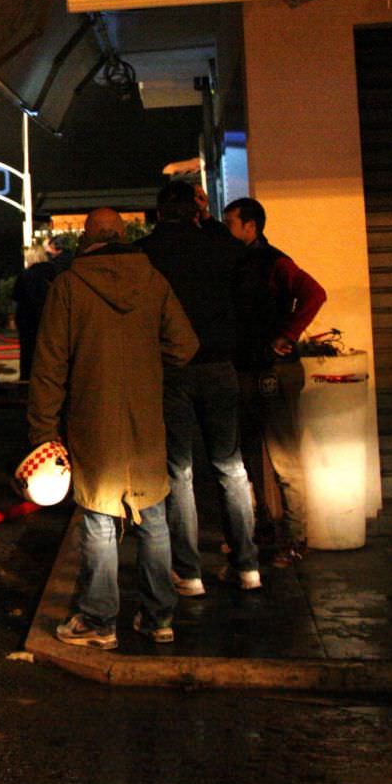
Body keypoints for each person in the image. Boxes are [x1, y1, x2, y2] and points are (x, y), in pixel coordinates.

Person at [28, 208, 198, 649]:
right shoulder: (153, 281)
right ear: (123, 235)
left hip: (93, 418)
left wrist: (43, 433)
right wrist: (148, 358)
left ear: (87, 238)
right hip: (145, 417)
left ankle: (100, 622)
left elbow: (49, 367)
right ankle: (159, 618)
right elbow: (185, 344)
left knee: (100, 519)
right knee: (154, 513)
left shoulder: (68, 286)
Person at [137, 181, 260, 594]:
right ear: (196, 211)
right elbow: (236, 257)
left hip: (170, 369)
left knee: (180, 471)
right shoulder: (219, 246)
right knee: (230, 465)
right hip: (219, 365)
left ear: (158, 213)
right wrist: (207, 220)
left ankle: (188, 573)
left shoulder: (148, 253)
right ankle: (247, 566)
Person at [224, 197, 328, 565]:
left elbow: (315, 293)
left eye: (231, 222)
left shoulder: (274, 262)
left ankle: (296, 536)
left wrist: (289, 334)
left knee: (283, 457)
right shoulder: (240, 262)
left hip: (272, 371)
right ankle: (265, 525)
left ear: (250, 226)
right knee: (251, 453)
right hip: (249, 367)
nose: (227, 229)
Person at [13, 234, 72, 382]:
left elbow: (16, 296)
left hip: (26, 319)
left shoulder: (25, 275)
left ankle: (26, 380)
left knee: (27, 351)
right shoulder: (53, 273)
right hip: (49, 317)